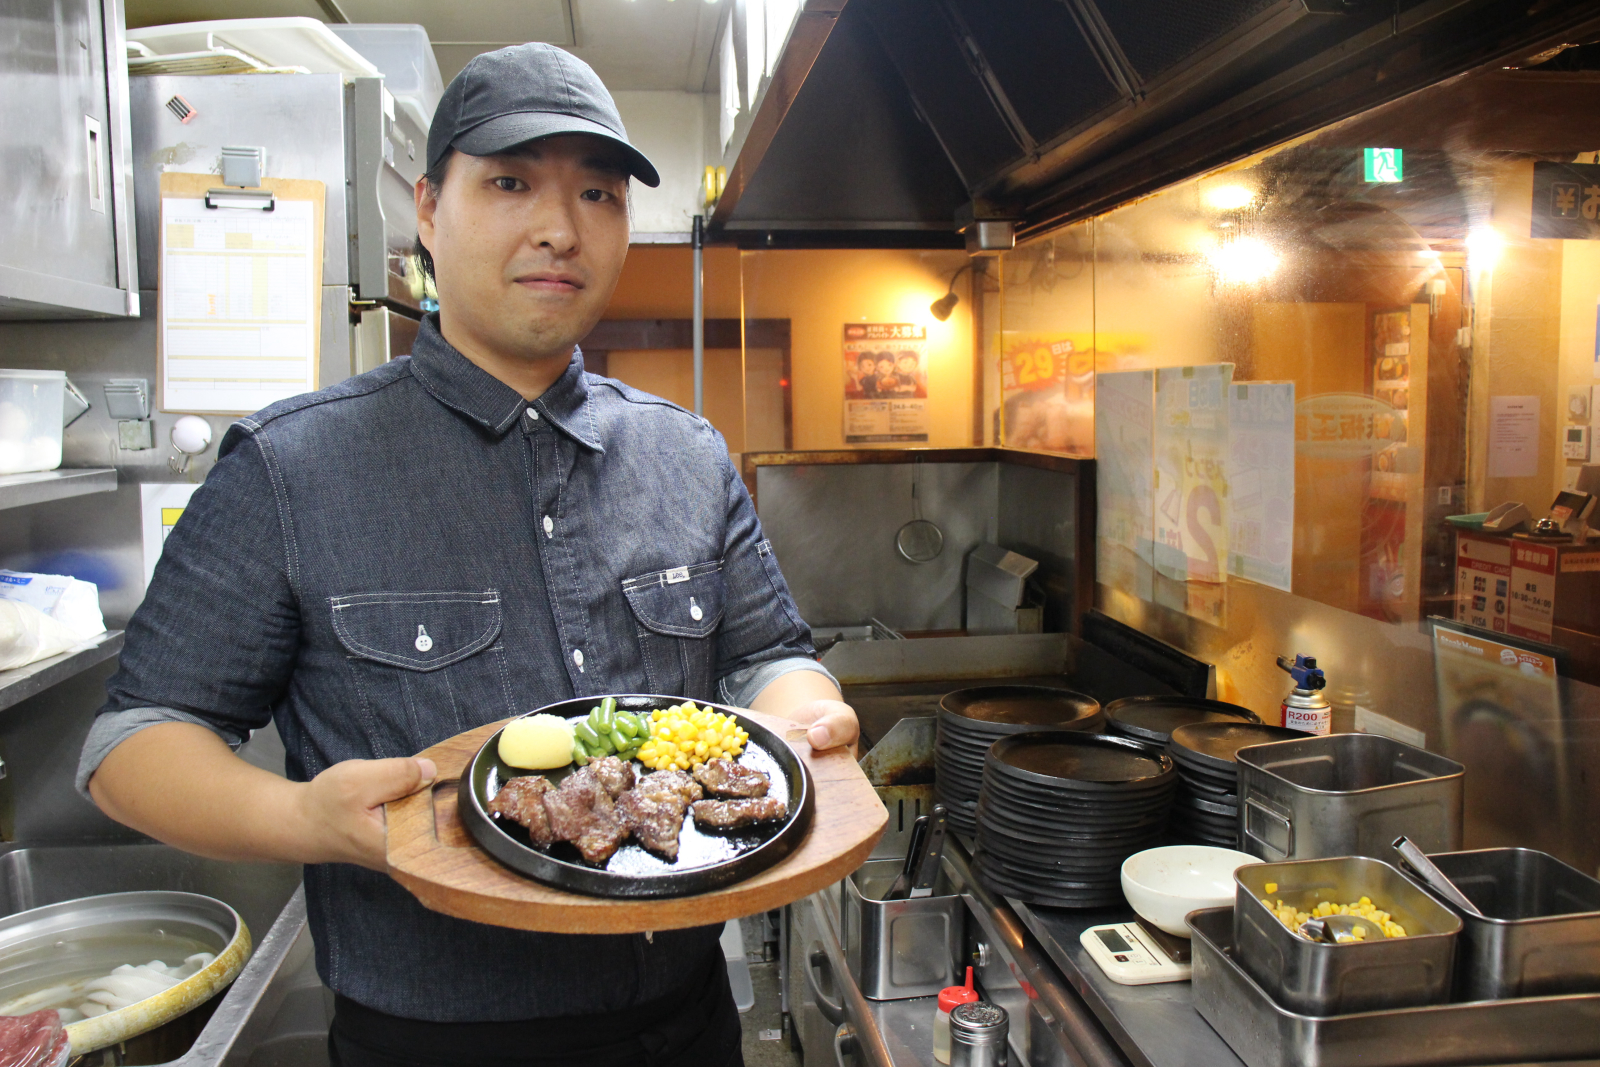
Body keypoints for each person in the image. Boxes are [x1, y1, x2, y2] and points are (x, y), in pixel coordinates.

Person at [78, 43, 857, 1067]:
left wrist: (803, 707)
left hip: (685, 1025)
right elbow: (131, 744)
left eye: (597, 193)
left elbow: (768, 654)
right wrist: (309, 817)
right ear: (428, 211)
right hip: (430, 1042)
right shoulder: (290, 466)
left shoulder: (687, 453)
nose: (559, 227)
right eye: (508, 182)